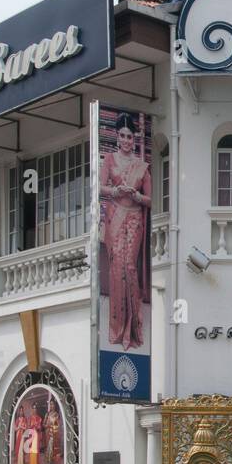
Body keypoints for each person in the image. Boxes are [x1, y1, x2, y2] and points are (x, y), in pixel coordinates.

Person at [101, 116, 152, 350]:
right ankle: (116, 329)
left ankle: (132, 330)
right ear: (117, 137)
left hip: (133, 218)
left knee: (129, 267)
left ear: (135, 138)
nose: (126, 140)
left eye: (129, 136)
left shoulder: (141, 166)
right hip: (114, 216)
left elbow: (150, 199)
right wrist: (115, 190)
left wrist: (136, 196)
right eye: (122, 136)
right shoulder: (109, 160)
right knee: (116, 268)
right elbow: (99, 187)